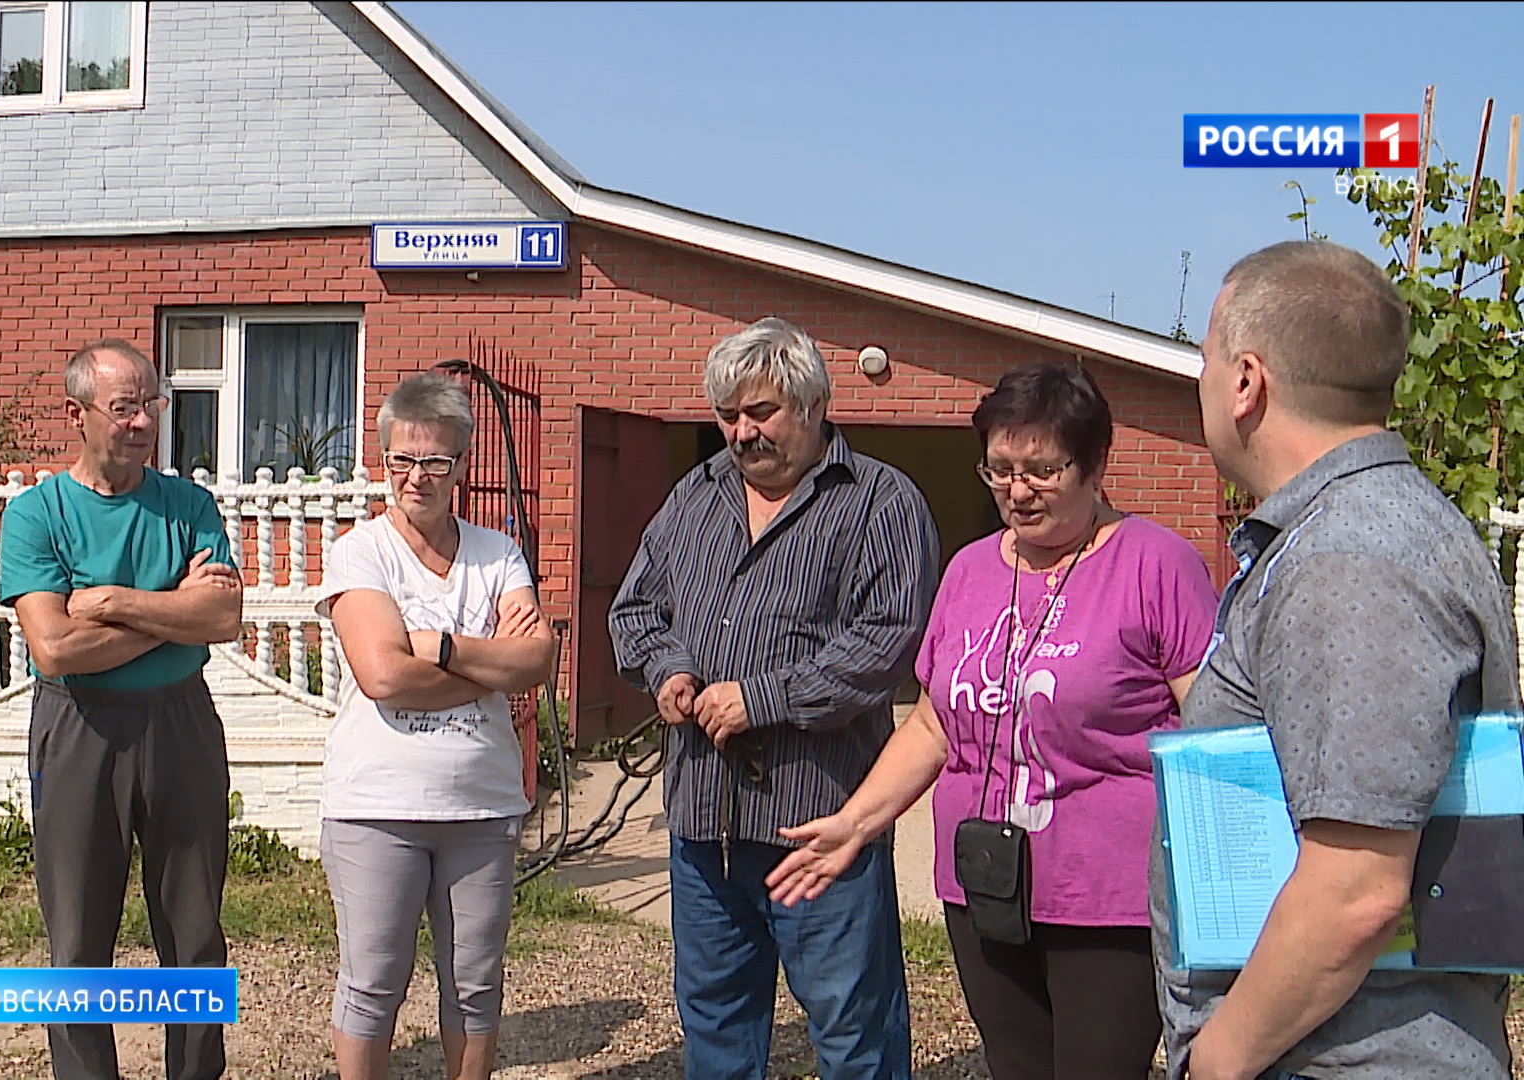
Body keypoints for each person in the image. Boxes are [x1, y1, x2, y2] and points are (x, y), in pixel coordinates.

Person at [766, 359, 1220, 1079]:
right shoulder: (970, 571)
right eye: (1000, 470)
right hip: (984, 884)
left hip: (1110, 897)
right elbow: (934, 725)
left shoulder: (1157, 566)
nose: (1017, 490)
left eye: (1041, 470)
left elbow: (1213, 729)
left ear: (1095, 463)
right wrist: (854, 824)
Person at [1157, 239, 1521, 1079]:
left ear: (1246, 382)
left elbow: (1354, 893)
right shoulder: (1347, 534)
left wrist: (1215, 1063)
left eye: (1205, 360)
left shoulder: (1351, 559)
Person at [607, 317, 939, 1080]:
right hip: (704, 824)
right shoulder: (696, 495)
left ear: (815, 404)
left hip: (818, 826)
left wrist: (763, 698)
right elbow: (635, 610)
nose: (742, 432)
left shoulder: (880, 502)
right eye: (728, 416)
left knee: (854, 1033)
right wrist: (667, 670)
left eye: (761, 412)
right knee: (715, 1027)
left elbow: (886, 642)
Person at [0, 338, 244, 1080]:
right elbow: (55, 649)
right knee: (77, 939)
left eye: (152, 405)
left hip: (180, 721)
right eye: (124, 407)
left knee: (195, 935)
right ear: (76, 415)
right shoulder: (36, 515)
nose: (142, 422)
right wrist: (173, 611)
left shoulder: (189, 506)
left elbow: (223, 617)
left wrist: (112, 602)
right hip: (79, 724)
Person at [314, 371, 557, 1080]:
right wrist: (489, 665)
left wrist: (441, 647)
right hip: (376, 808)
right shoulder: (361, 551)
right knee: (373, 983)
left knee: (476, 985)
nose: (417, 476)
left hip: (481, 806)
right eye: (402, 460)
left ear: (462, 464)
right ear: (383, 458)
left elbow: (536, 660)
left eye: (434, 461)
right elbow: (383, 677)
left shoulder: (498, 553)